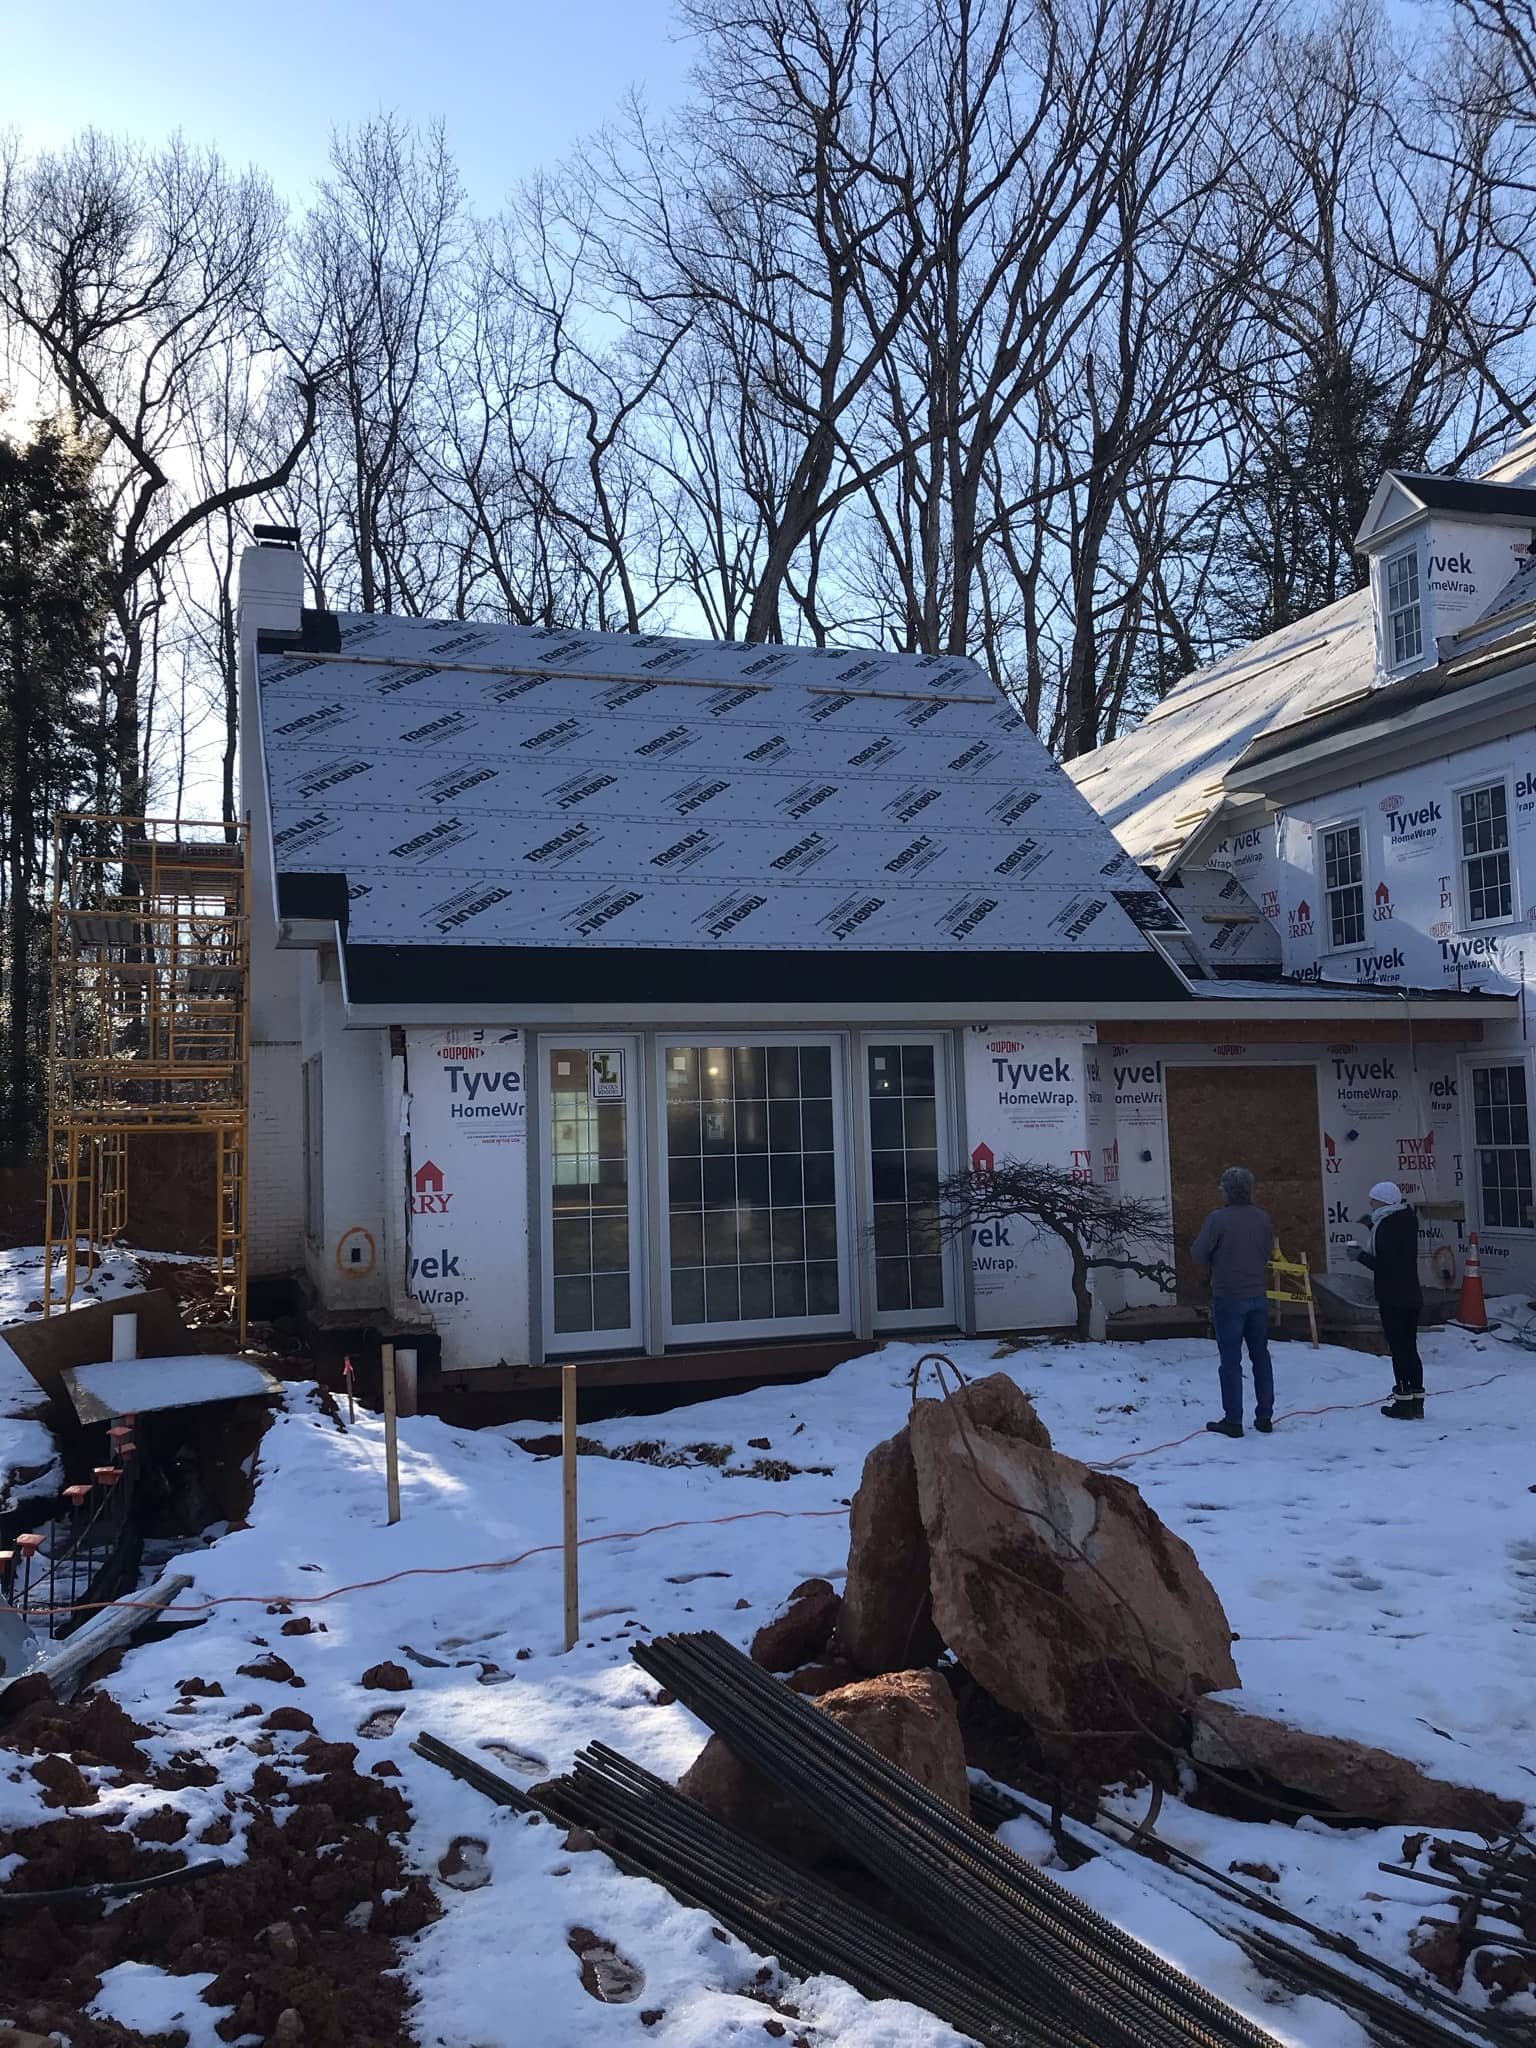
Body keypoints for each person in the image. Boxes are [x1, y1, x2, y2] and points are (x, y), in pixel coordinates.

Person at [1191, 1165, 1276, 1439]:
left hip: (1229, 1296)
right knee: (1260, 1356)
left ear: (1227, 1190)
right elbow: (1267, 1252)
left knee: (1230, 1360)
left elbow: (1199, 1253)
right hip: (1258, 1296)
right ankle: (1265, 1416)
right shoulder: (1262, 1218)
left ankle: (1233, 1419)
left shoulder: (1218, 1219)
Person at [1352, 1180, 1424, 1420]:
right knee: (1410, 1347)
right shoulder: (1406, 1218)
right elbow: (1398, 1247)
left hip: (1393, 1296)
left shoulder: (1385, 1226)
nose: (1371, 1203)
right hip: (1412, 1293)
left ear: (1382, 1201)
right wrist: (1371, 1224)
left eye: (1373, 1200)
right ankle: (1417, 1402)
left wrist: (1359, 1256)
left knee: (1399, 1349)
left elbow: (1385, 1264)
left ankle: (1403, 1402)